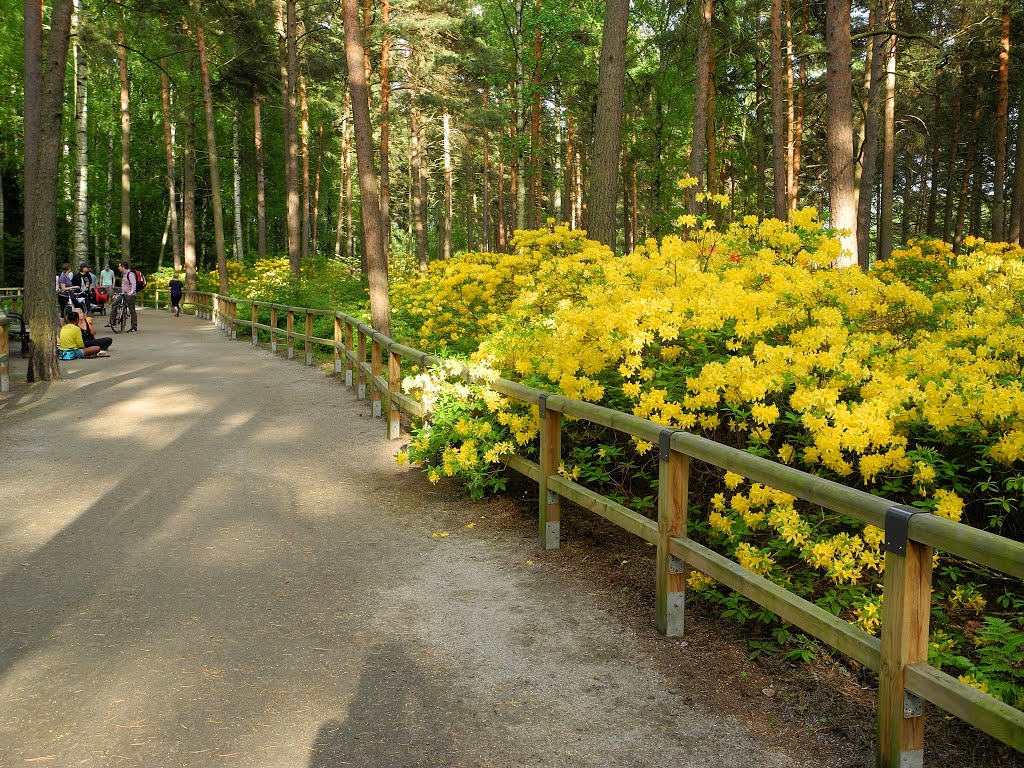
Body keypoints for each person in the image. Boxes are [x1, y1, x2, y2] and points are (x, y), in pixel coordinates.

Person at [118, 261, 139, 333]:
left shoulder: (130, 274)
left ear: (123, 267)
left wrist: (131, 292)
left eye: (119, 266)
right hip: (123, 293)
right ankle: (112, 322)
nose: (118, 267)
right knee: (115, 304)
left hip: (130, 295)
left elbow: (134, 284)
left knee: (132, 310)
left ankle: (134, 327)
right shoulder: (123, 274)